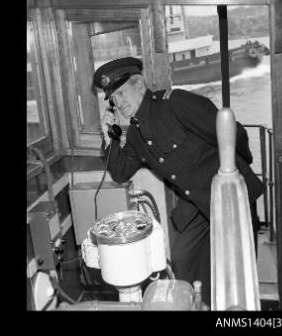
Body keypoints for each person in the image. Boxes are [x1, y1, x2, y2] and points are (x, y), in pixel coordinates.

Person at [93, 57, 264, 307]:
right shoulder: (136, 134)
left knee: (236, 274)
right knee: (184, 261)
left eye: (121, 92)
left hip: (227, 198)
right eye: (114, 99)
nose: (118, 102)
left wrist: (239, 175)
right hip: (195, 204)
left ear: (140, 84)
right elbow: (120, 172)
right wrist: (109, 138)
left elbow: (234, 132)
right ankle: (198, 304)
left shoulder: (176, 103)